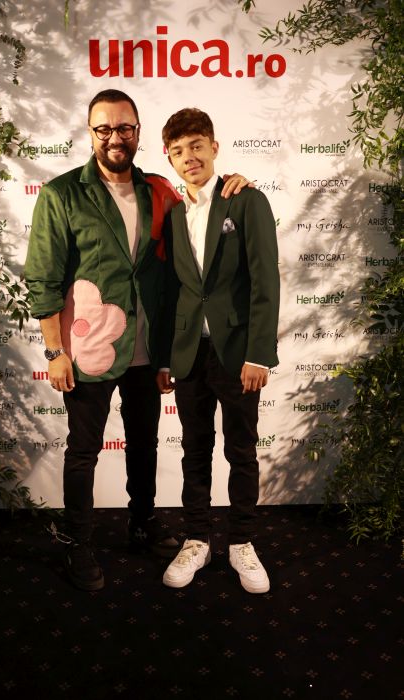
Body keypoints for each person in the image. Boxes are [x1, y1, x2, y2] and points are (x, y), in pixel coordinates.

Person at [24, 89, 251, 592]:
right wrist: (55, 351)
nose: (115, 137)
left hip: (147, 347)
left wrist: (236, 185)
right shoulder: (62, 194)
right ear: (90, 133)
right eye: (103, 128)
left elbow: (202, 207)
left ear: (138, 132)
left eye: (124, 128)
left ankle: (143, 522)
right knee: (83, 451)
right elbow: (43, 279)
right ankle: (78, 542)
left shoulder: (158, 191)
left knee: (144, 442)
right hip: (87, 349)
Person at [157, 108, 280, 593]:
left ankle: (242, 542)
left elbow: (265, 280)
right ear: (169, 158)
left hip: (237, 353)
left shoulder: (246, 201)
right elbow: (173, 290)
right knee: (194, 450)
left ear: (213, 147)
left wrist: (259, 354)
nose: (189, 157)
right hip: (189, 352)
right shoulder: (171, 214)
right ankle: (197, 539)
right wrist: (165, 356)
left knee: (241, 450)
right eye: (178, 151)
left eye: (196, 146)